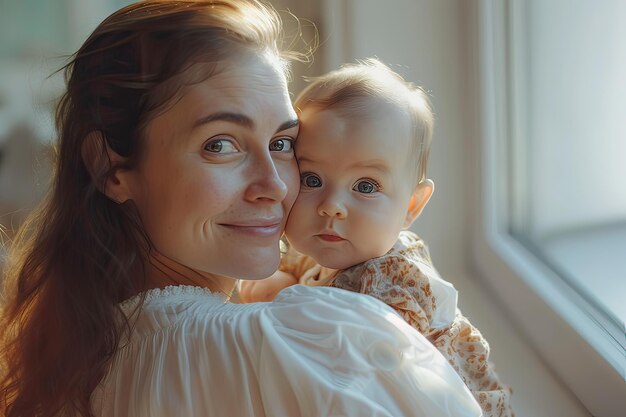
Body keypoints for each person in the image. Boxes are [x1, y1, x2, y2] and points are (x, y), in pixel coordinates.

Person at [0, 2, 483, 417]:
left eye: (281, 142)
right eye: (221, 144)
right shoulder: (304, 343)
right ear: (111, 169)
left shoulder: (89, 354)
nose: (273, 185)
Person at [240, 59, 514, 417]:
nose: (332, 207)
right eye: (311, 180)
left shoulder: (392, 282)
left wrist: (276, 295)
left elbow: (341, 351)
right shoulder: (336, 249)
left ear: (411, 206)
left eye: (365, 186)